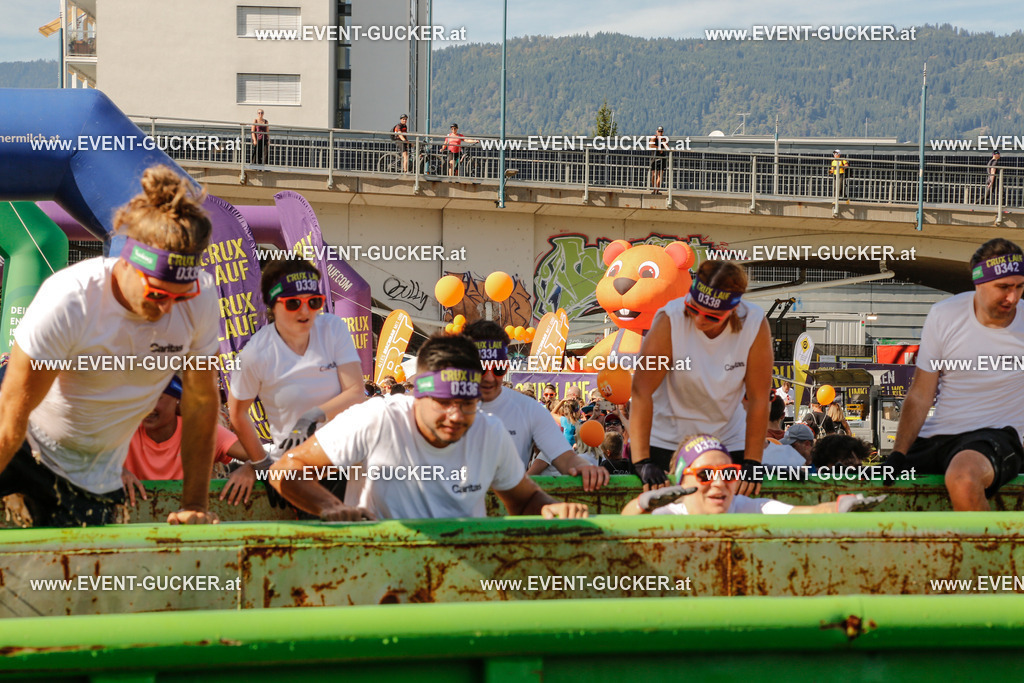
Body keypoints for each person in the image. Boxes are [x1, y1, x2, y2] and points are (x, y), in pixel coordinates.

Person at [0, 165, 221, 526]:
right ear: (128, 264)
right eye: (157, 294)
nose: (166, 308)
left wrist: (195, 504)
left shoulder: (201, 298)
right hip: (21, 443)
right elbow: (10, 416)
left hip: (91, 476)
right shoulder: (71, 299)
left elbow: (200, 402)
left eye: (179, 299)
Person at [267, 333, 589, 520]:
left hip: (459, 585)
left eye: (467, 403)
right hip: (377, 584)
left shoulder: (489, 433)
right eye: (444, 402)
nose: (456, 415)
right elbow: (285, 469)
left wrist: (552, 510)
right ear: (417, 395)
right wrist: (332, 508)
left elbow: (524, 500)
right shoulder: (378, 419)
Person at [888, 238, 1024, 511]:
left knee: (963, 478)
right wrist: (898, 454)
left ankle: (998, 553)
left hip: (1000, 435)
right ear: (979, 283)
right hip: (940, 438)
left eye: (1020, 286)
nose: (1013, 297)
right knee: (872, 486)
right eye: (1004, 287)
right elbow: (921, 393)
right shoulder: (945, 315)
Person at [631, 259, 774, 496]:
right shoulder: (670, 319)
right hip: (668, 439)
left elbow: (759, 399)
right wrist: (641, 460)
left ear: (733, 310)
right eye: (693, 308)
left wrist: (753, 462)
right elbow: (641, 391)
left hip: (727, 440)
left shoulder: (754, 323)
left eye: (711, 316)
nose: (699, 320)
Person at [228, 257, 365, 501]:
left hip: (348, 462)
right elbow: (237, 414)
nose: (305, 312)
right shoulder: (255, 353)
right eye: (293, 304)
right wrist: (261, 465)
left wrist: (312, 415)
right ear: (273, 304)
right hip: (299, 472)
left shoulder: (333, 328)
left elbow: (355, 392)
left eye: (314, 302)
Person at [465, 320, 609, 490]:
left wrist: (584, 467)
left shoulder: (527, 409)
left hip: (507, 508)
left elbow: (564, 457)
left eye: (498, 369)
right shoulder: (442, 407)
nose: (489, 377)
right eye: (482, 369)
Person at [621, 434, 884, 515]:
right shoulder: (668, 514)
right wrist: (642, 504)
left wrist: (839, 507)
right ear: (681, 480)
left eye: (729, 473)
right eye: (705, 475)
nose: (719, 483)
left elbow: (796, 513)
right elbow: (625, 522)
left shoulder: (744, 506)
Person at [120, 377, 253, 506]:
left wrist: (251, 469)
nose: (147, 407)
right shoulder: (121, 432)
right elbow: (98, 463)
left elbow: (267, 462)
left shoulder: (202, 431)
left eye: (156, 398)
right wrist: (113, 472)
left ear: (177, 399)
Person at [649, 126, 668, 194]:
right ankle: (654, 189)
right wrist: (658, 148)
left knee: (660, 174)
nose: (660, 133)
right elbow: (651, 145)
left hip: (662, 157)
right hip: (655, 157)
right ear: (657, 131)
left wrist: (664, 142)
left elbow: (667, 147)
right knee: (654, 174)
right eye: (659, 131)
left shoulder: (664, 138)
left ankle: (657, 190)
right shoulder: (654, 137)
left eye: (661, 131)